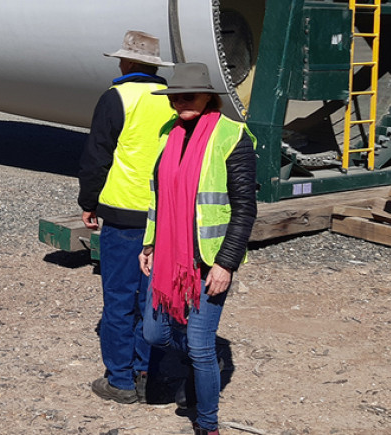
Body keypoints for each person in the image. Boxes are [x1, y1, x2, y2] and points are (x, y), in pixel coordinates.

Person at [140, 62, 257, 435]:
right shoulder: (167, 133)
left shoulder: (231, 136)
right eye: (175, 97)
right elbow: (159, 197)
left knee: (200, 343)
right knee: (154, 335)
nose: (180, 103)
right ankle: (200, 364)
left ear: (209, 96)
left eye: (188, 95)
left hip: (208, 261)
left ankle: (207, 425)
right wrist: (150, 243)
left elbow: (244, 208)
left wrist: (227, 263)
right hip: (169, 260)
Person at [78, 30, 176, 404]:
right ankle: (146, 373)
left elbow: (96, 156)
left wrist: (89, 202)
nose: (119, 64)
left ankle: (119, 380)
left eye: (122, 59)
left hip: (123, 214)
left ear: (130, 63)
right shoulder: (171, 100)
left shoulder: (116, 97)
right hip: (164, 214)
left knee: (118, 297)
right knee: (151, 299)